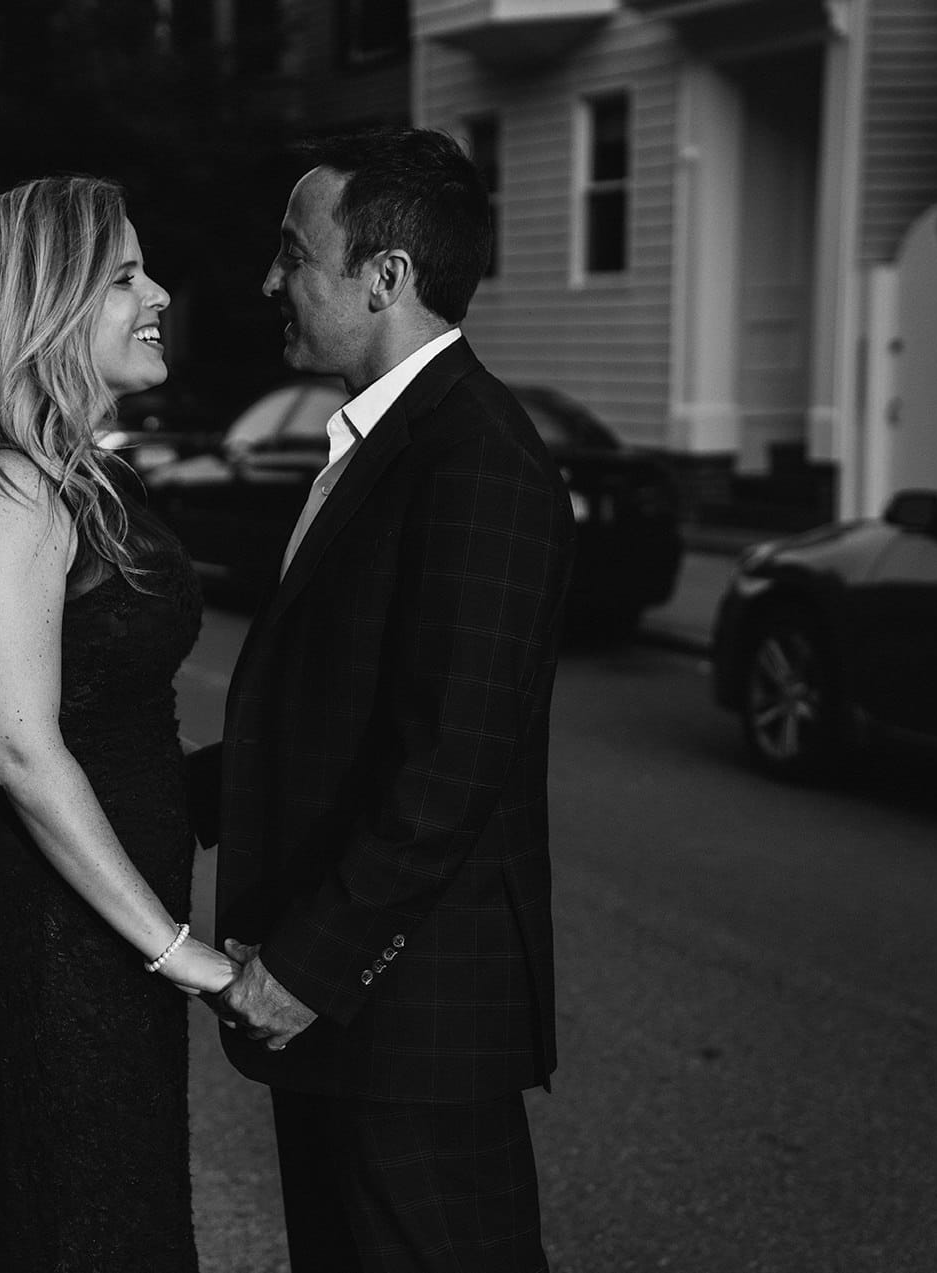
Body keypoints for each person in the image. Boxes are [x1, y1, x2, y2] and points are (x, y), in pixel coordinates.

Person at [187, 127, 576, 1271]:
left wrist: (306, 968)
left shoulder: (478, 459)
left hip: (412, 1022)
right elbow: (339, 726)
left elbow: (451, 761)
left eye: (292, 253)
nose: (270, 281)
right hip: (359, 1019)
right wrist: (148, 788)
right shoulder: (382, 440)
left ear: (385, 277)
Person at [0, 175, 239, 1273]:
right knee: (77, 1232)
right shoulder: (8, 492)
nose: (161, 293)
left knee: (127, 1224)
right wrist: (181, 951)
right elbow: (22, 751)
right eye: (126, 275)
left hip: (112, 916)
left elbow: (121, 724)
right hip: (52, 932)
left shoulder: (90, 480)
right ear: (47, 305)